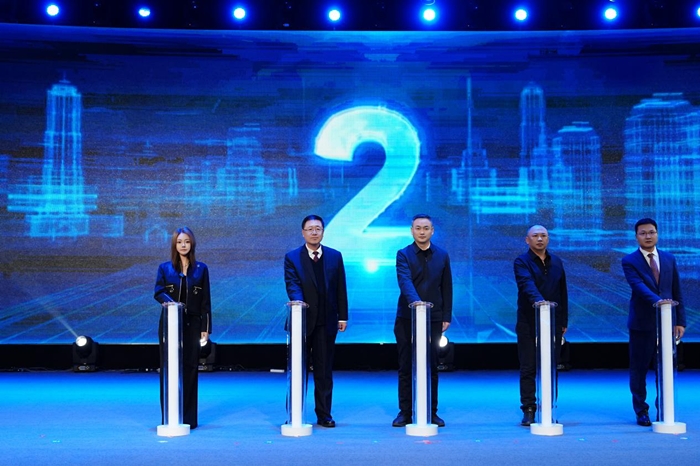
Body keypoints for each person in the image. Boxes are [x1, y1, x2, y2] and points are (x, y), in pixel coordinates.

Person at [284, 215, 348, 428]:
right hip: (301, 322)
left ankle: (324, 414)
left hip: (326, 322)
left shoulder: (334, 256)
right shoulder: (292, 257)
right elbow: (292, 284)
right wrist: (298, 303)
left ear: (323, 232)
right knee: (298, 370)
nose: (314, 232)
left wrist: (343, 315)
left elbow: (340, 288)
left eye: (318, 229)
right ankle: (294, 413)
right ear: (303, 233)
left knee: (324, 371)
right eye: (310, 229)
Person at [621, 218, 686, 427]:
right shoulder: (629, 260)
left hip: (667, 323)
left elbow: (676, 290)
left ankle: (664, 408)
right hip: (641, 323)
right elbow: (638, 286)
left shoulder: (669, 258)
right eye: (643, 233)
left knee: (665, 368)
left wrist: (680, 320)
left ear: (657, 234)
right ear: (636, 237)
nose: (648, 236)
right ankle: (641, 411)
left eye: (651, 232)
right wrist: (660, 302)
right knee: (639, 370)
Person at [392, 214, 453, 428]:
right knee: (405, 365)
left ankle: (430, 411)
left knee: (431, 366)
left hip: (434, 318)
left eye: (426, 228)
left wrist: (446, 315)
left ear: (432, 231)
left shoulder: (442, 255)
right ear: (412, 231)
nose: (422, 232)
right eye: (418, 228)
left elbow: (447, 287)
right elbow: (405, 282)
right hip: (407, 317)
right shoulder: (403, 254)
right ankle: (405, 412)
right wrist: (417, 303)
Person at [154, 227, 212, 429]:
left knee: (190, 368)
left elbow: (205, 300)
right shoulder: (165, 268)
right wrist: (173, 305)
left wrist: (205, 327)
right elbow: (158, 291)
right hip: (170, 323)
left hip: (192, 324)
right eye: (179, 242)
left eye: (186, 241)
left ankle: (188, 418)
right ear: (174, 245)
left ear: (192, 244)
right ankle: (169, 415)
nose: (183, 245)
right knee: (169, 368)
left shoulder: (201, 269)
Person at [513, 224, 568, 426]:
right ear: (527, 240)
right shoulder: (522, 261)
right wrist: (540, 302)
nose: (539, 239)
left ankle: (548, 407)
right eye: (535, 236)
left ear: (548, 239)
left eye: (543, 235)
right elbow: (526, 284)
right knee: (528, 366)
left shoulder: (557, 261)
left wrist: (563, 321)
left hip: (553, 320)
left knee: (551, 366)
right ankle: (529, 408)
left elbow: (562, 292)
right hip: (528, 321)